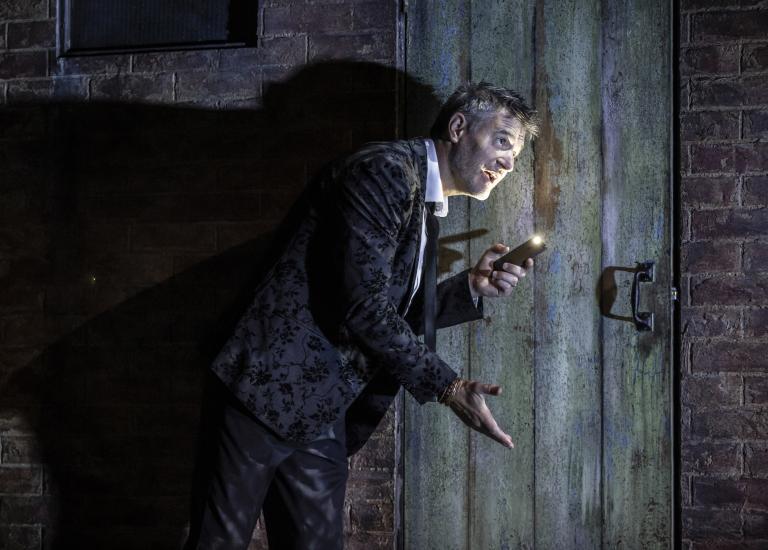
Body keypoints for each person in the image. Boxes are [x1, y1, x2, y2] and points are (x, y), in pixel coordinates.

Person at [184, 82, 539, 549]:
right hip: (262, 390)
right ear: (458, 127)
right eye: (502, 141)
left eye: (515, 153)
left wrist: (469, 288)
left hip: (319, 408)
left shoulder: (425, 202)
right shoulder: (385, 173)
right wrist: (449, 388)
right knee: (217, 543)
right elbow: (361, 307)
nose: (510, 163)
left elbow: (388, 310)